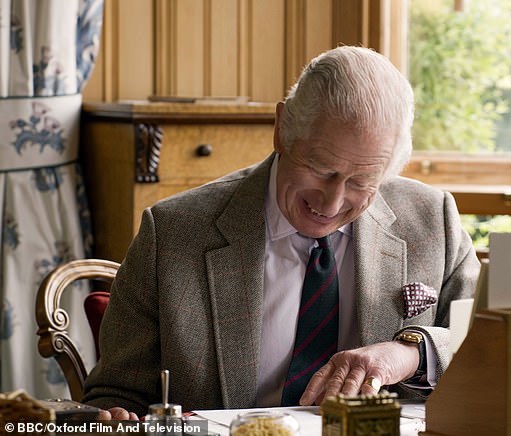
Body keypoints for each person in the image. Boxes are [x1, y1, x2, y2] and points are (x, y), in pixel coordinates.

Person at [82, 46, 480, 419]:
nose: (331, 202)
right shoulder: (173, 233)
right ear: (281, 128)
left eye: (362, 181)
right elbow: (115, 393)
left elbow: (488, 347)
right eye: (321, 169)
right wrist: (115, 417)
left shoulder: (432, 219)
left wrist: (409, 353)